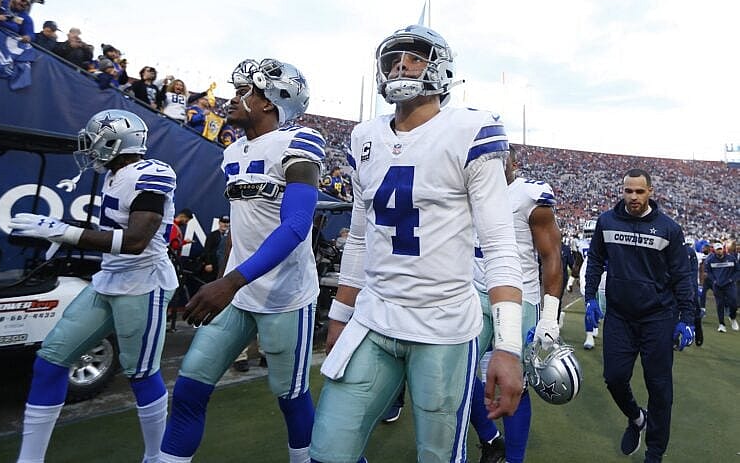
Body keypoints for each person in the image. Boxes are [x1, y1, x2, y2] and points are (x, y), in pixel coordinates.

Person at [309, 25, 524, 463]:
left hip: (443, 327)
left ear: (441, 68)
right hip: (375, 316)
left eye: (415, 57)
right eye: (394, 59)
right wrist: (340, 315)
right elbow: (359, 238)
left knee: (438, 456)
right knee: (327, 451)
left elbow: (500, 243)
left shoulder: (471, 129)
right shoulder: (364, 137)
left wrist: (508, 345)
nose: (401, 65)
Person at [159, 58, 323, 463]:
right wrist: (230, 275)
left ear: (271, 102)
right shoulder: (232, 152)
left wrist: (229, 282)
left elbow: (298, 224)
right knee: (190, 389)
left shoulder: (298, 143)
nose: (234, 98)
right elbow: (242, 227)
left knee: (291, 398)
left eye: (246, 91)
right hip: (238, 293)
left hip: (285, 297)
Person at [9, 109, 178, 463]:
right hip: (109, 279)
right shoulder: (115, 175)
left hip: (143, 282)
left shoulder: (153, 173)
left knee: (141, 375)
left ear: (117, 141)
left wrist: (65, 232)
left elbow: (136, 241)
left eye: (96, 141)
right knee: (50, 362)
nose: (90, 149)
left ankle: (157, 456)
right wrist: (61, 231)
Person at [583, 168, 695, 463]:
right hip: (620, 315)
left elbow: (682, 276)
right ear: (622, 191)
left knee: (660, 388)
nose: (633, 197)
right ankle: (636, 417)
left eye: (639, 191)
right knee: (614, 377)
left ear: (650, 192)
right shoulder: (606, 221)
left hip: (659, 317)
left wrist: (686, 317)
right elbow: (595, 259)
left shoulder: (669, 228)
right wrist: (590, 297)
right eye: (628, 191)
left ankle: (654, 453)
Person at [468, 143, 563, 463]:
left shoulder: (529, 196)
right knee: (458, 376)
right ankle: (492, 441)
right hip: (475, 294)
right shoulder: (468, 188)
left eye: (500, 156)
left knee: (515, 385)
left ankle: (514, 459)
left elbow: (551, 256)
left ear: (513, 160)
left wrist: (549, 316)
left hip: (521, 298)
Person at [579, 220, 606, 350]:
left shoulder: (607, 243)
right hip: (590, 274)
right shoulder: (581, 244)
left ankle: (597, 328)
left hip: (606, 277)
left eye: (593, 233)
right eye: (589, 233)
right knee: (590, 305)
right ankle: (589, 335)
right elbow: (579, 263)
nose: (590, 236)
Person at [703, 241, 738, 332]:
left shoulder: (731, 258)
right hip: (718, 285)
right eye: (717, 249)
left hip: (730, 284)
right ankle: (722, 324)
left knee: (734, 302)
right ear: (714, 251)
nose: (719, 251)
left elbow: (738, 271)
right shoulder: (710, 260)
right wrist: (714, 280)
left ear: (723, 249)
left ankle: (732, 317)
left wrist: (731, 279)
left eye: (720, 249)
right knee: (720, 304)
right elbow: (708, 272)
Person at [198, 215, 230, 283]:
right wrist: (208, 263)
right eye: (223, 222)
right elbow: (207, 250)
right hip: (213, 265)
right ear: (219, 223)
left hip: (224, 266)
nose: (225, 224)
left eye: (227, 222)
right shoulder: (212, 235)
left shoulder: (230, 237)